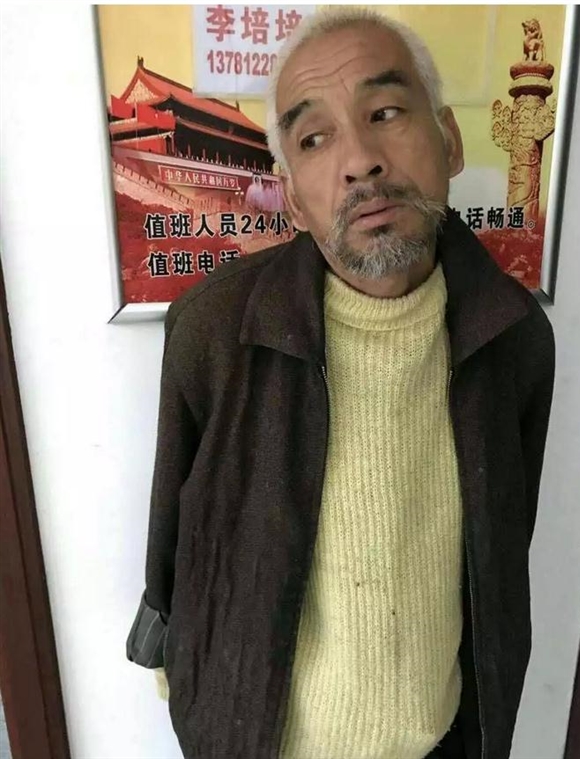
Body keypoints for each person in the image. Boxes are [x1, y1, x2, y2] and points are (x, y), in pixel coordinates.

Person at [126, 8, 555, 759]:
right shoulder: (215, 330)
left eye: (385, 112)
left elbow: (501, 549)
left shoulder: (512, 336)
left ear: (449, 139)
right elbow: (176, 541)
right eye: (314, 139)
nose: (359, 160)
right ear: (293, 198)